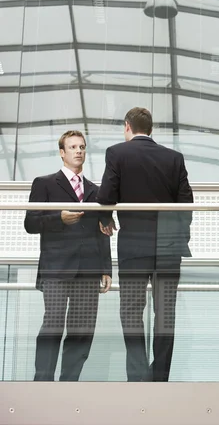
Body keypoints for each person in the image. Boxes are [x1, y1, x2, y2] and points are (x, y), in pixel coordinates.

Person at [96, 107, 193, 382]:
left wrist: (105, 218)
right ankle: (159, 376)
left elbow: (106, 195)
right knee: (165, 312)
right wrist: (179, 239)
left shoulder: (117, 153)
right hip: (168, 247)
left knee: (130, 309)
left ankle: (138, 376)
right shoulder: (174, 158)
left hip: (133, 246)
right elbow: (187, 205)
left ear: (128, 127)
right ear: (150, 129)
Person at [24, 130, 113, 381]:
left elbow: (103, 230)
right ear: (62, 153)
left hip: (89, 268)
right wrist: (58, 218)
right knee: (52, 324)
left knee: (83, 329)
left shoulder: (96, 191)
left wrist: (106, 268)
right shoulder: (44, 183)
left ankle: (69, 382)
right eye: (73, 147)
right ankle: (42, 381)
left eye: (82, 147)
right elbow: (30, 223)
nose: (78, 151)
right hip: (56, 267)